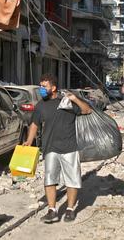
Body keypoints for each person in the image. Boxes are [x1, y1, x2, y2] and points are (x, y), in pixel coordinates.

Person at [23, 73, 92, 223]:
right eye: (40, 86)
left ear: (53, 88)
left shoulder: (66, 101)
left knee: (72, 180)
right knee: (50, 180)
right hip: (50, 148)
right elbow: (34, 124)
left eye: (44, 86)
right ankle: (52, 210)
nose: (41, 89)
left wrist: (75, 99)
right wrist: (29, 140)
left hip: (69, 147)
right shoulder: (40, 105)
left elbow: (87, 110)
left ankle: (70, 209)